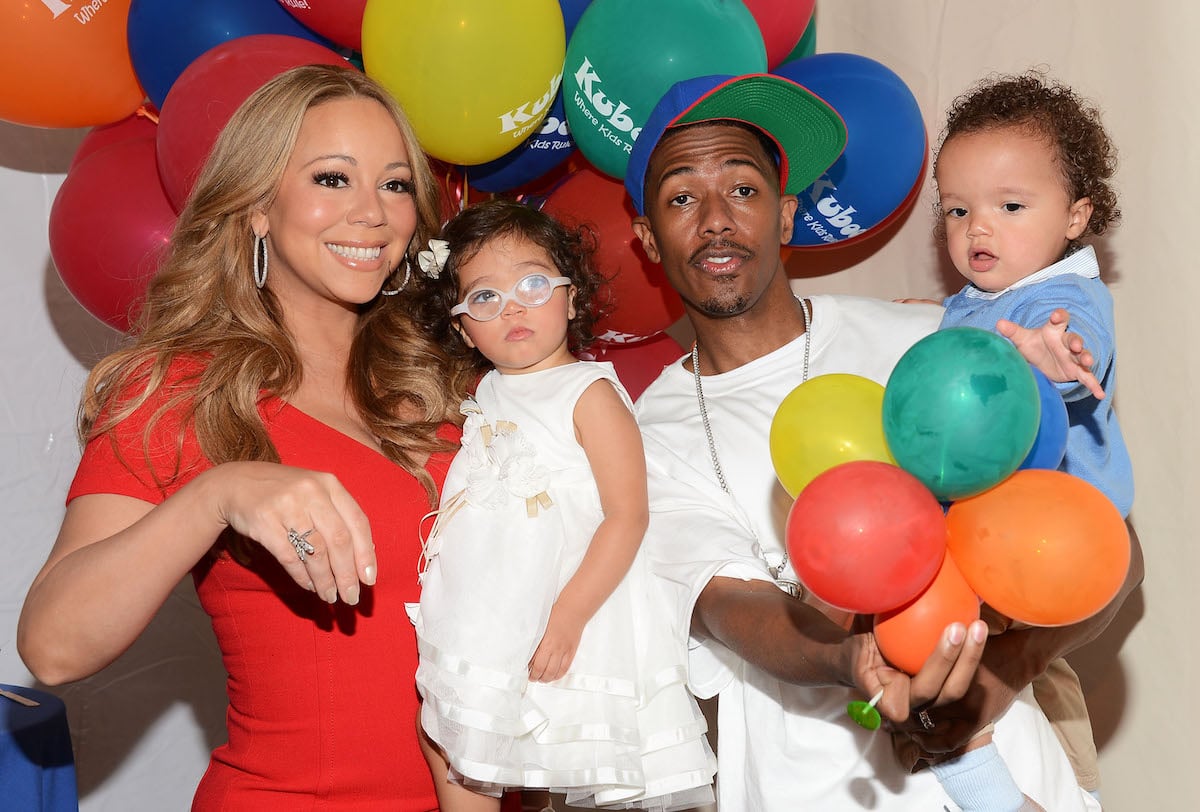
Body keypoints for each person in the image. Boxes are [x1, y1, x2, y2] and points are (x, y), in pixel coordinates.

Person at [623, 72, 1143, 811]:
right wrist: (853, 659)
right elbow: (729, 610)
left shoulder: (937, 343)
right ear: (646, 239)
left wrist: (997, 679)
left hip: (1015, 782)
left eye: (743, 188)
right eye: (680, 197)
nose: (715, 219)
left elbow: (1109, 551)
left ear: (786, 214)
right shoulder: (642, 434)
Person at [17, 65, 470, 809]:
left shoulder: (450, 382)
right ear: (257, 205)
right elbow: (54, 645)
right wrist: (217, 494)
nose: (373, 214)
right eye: (332, 178)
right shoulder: (183, 391)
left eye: (394, 185)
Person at [407, 198, 716, 811]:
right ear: (465, 326)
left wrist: (570, 615)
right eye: (485, 298)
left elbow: (628, 515)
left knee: (577, 754)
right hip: (495, 620)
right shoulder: (486, 392)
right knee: (484, 748)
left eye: (532, 283)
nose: (513, 305)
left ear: (571, 297)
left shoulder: (588, 391)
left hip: (576, 613)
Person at [913, 70, 1134, 810]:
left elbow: (1082, 350)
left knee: (1020, 691)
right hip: (992, 546)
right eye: (956, 209)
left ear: (1076, 216)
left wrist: (1055, 359)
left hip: (1054, 545)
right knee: (965, 674)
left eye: (1010, 206)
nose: (978, 228)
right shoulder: (979, 303)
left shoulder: (1062, 300)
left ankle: (1034, 792)